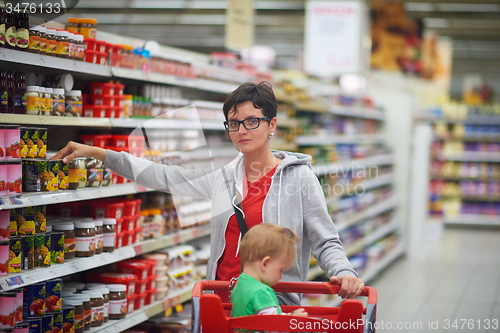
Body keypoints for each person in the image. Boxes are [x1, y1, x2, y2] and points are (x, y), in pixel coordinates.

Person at [51, 81, 364, 304]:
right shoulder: (223, 179)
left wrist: (344, 272)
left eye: (252, 121)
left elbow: (325, 240)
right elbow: (164, 175)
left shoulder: (300, 179)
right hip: (220, 300)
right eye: (234, 123)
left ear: (272, 125)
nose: (242, 130)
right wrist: (98, 152)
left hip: (274, 302)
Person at [230, 223, 308, 317]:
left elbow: (263, 317)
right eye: (281, 270)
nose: (281, 277)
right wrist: (293, 319)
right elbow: (271, 325)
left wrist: (286, 315)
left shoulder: (240, 284)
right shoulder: (261, 292)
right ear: (265, 263)